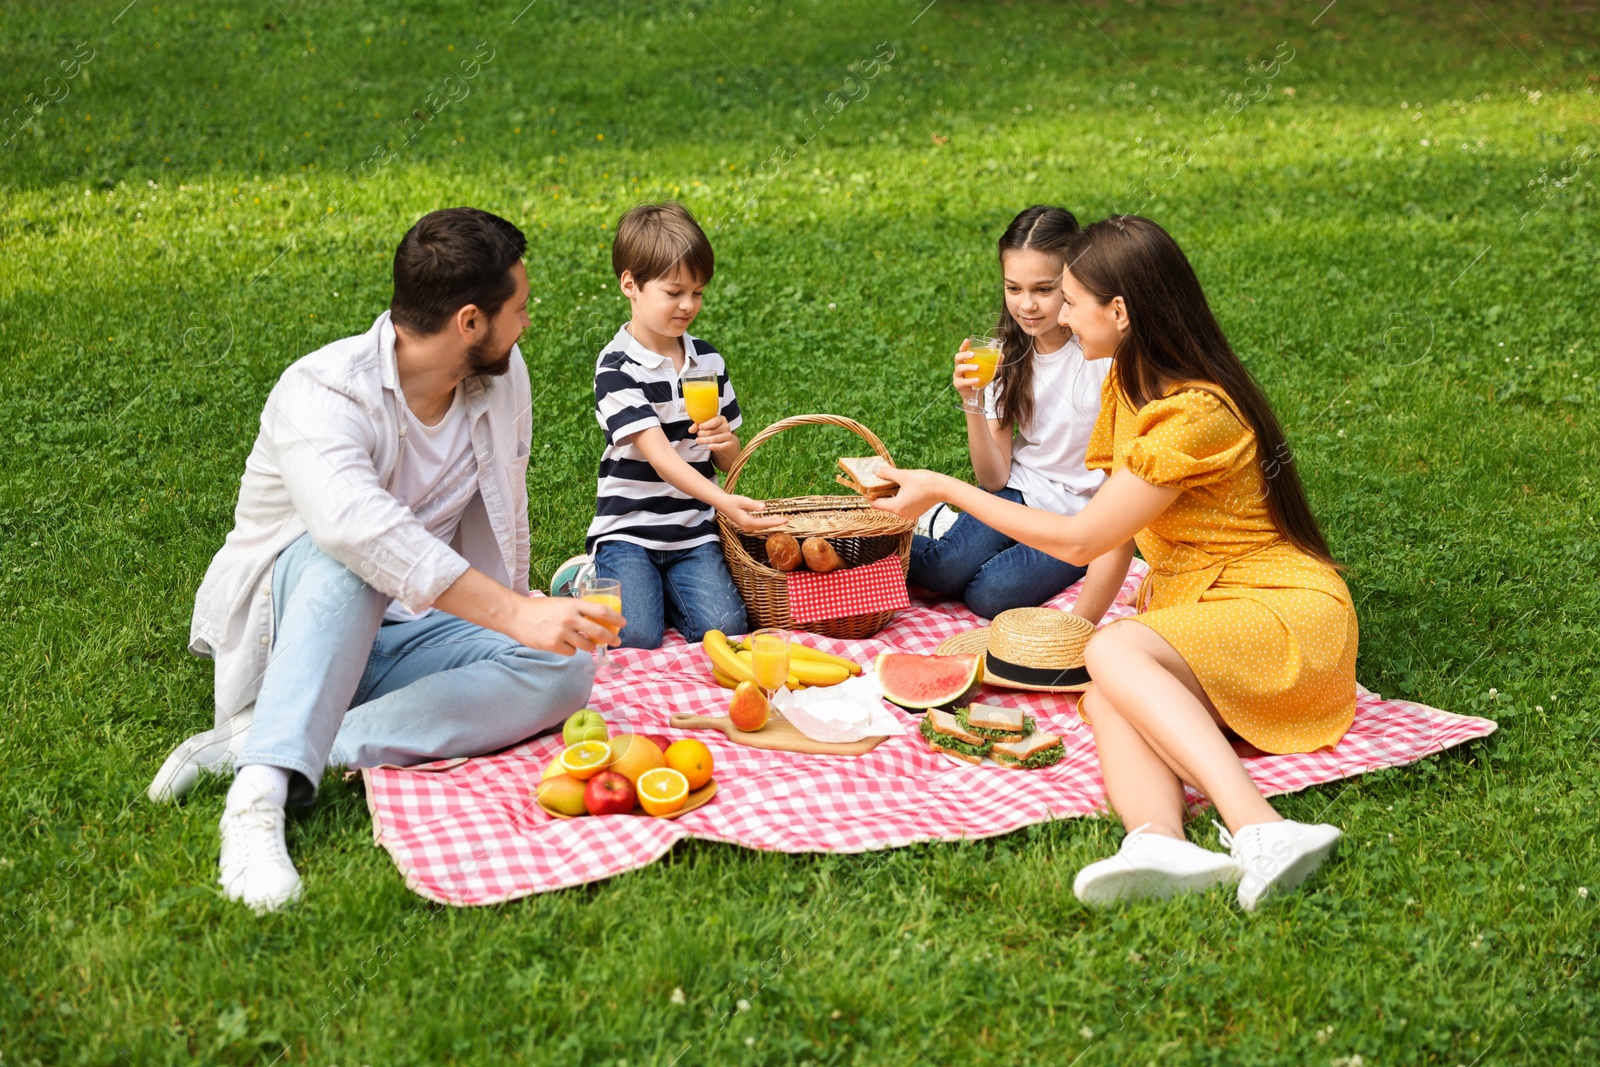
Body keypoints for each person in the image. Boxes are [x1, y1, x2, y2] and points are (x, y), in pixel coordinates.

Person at [874, 216, 1356, 910]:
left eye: (1069, 299)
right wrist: (1073, 637)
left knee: (1119, 649)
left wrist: (944, 488)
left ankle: (1261, 827)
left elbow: (1078, 538)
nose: (1058, 314)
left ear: (1119, 312)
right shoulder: (1130, 391)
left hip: (1286, 614)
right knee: (1105, 684)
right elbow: (1115, 540)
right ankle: (1158, 840)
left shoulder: (1193, 414)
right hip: (1210, 610)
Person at [148, 208, 622, 913]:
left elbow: (503, 510)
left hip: (408, 626)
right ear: (469, 321)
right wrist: (518, 613)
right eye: (519, 308)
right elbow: (358, 531)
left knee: (564, 667)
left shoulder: (500, 376)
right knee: (353, 557)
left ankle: (283, 741)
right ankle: (255, 799)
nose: (527, 321)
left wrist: (526, 617)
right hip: (300, 627)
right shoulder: (322, 392)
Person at [910, 205, 1130, 624]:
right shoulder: (1004, 356)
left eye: (1044, 290)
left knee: (989, 594)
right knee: (941, 569)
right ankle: (868, 544)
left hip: (1077, 520)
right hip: (1019, 495)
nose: (1026, 305)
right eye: (1014, 288)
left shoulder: (1101, 352)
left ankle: (944, 528)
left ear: (1072, 280)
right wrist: (972, 402)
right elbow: (993, 478)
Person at [580, 201, 783, 649]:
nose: (689, 304)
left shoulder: (707, 361)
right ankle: (589, 576)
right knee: (635, 636)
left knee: (728, 630)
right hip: (629, 529)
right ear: (630, 284)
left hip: (693, 530)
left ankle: (662, 589)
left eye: (698, 292)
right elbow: (663, 459)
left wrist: (725, 440)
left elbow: (730, 462)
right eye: (674, 293)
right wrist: (727, 504)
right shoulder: (617, 367)